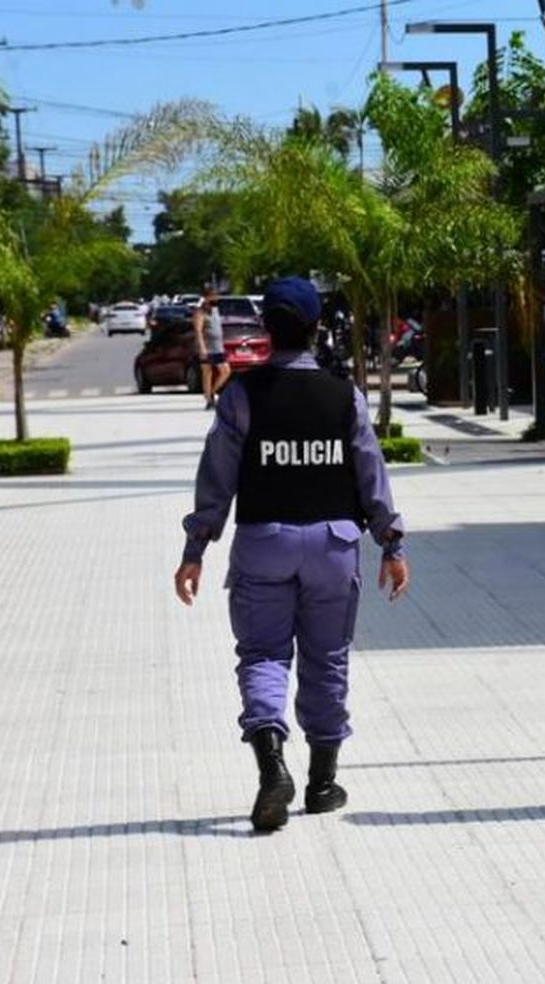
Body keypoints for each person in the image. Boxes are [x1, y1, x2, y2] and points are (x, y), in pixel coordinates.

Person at [173, 276, 410, 833]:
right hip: (333, 546)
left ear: (265, 330)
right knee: (327, 660)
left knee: (262, 657)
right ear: (315, 328)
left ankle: (271, 762)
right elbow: (371, 475)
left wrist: (195, 549)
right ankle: (323, 784)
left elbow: (217, 481)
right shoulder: (343, 394)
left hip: (265, 544)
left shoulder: (240, 396)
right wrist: (392, 544)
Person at [193, 284, 230, 410]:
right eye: (213, 296)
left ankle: (213, 392)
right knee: (207, 374)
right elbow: (198, 331)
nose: (216, 298)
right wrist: (202, 348)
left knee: (225, 371)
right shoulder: (200, 312)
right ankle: (209, 400)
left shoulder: (216, 310)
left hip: (218, 346)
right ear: (206, 297)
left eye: (216, 295)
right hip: (207, 347)